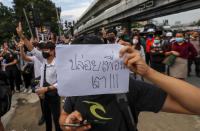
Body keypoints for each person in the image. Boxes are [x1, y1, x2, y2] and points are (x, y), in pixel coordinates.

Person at [59, 35, 200, 131]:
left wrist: (148, 73)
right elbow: (63, 116)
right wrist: (68, 125)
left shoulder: (127, 87)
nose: (86, 68)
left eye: (92, 61)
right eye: (79, 63)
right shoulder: (75, 87)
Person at [16, 22, 61, 131]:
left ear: (53, 51)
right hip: (44, 95)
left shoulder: (59, 63)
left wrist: (47, 88)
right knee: (47, 119)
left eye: (47, 50)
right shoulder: (43, 59)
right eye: (44, 50)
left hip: (54, 95)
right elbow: (32, 49)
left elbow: (61, 82)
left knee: (57, 119)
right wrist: (22, 35)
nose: (44, 52)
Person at [18, 40, 45, 125]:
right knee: (42, 99)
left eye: (39, 47)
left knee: (50, 99)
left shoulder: (47, 57)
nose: (37, 49)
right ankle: (44, 115)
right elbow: (24, 58)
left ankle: (51, 113)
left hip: (48, 80)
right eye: (37, 47)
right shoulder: (35, 58)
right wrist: (21, 48)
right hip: (38, 81)